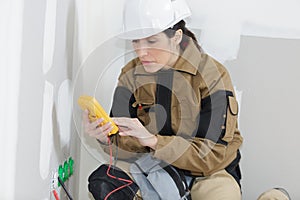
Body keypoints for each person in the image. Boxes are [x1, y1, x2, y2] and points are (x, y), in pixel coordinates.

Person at [83, 0, 243, 199]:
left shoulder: (212, 75)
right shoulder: (131, 74)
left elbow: (211, 155)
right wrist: (105, 136)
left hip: (208, 173)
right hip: (153, 165)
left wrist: (153, 141)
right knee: (106, 185)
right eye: (136, 41)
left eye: (151, 41)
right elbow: (123, 147)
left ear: (176, 37)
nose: (141, 52)